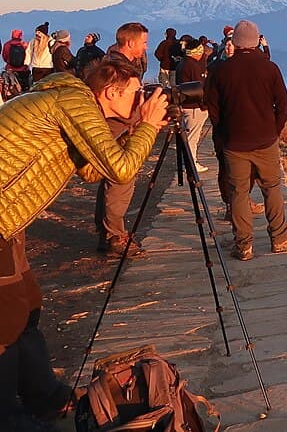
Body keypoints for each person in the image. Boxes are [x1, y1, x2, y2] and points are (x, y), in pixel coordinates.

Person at [0, 63, 168, 431]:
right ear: (111, 93)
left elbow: (93, 170)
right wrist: (149, 126)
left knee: (26, 306)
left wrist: (134, 124)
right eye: (136, 92)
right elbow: (120, 169)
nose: (143, 98)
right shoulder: (72, 102)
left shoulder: (77, 103)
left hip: (8, 221)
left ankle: (47, 399)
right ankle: (9, 418)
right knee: (5, 322)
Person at [205, 20, 287, 261]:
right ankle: (279, 239)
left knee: (239, 193)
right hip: (265, 140)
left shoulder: (221, 71)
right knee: (272, 189)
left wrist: (223, 132)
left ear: (234, 42)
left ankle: (243, 245)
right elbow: (283, 103)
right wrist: (274, 131)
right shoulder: (269, 68)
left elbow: (213, 108)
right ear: (257, 41)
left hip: (234, 142)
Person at [94, 22, 151, 256]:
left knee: (112, 182)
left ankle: (107, 233)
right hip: (117, 131)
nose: (146, 47)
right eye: (144, 42)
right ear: (130, 42)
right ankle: (115, 237)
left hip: (117, 130)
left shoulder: (116, 62)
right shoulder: (117, 68)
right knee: (120, 180)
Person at [175, 37, 209, 173]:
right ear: (196, 52)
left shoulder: (182, 64)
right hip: (194, 106)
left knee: (189, 135)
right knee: (192, 137)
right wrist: (204, 105)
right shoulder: (193, 67)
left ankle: (188, 161)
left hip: (185, 104)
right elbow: (199, 88)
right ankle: (191, 164)